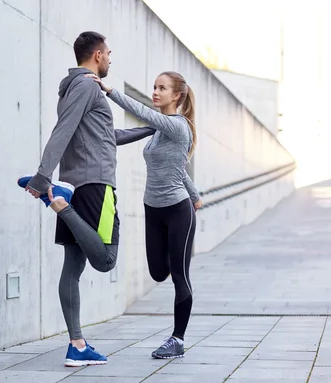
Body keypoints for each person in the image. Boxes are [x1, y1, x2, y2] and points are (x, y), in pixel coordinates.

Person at [24, 31, 153, 367]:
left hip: (75, 181)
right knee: (106, 259)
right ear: (96, 55)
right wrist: (42, 177)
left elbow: (106, 136)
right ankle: (59, 203)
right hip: (96, 186)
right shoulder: (87, 85)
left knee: (73, 266)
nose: (111, 58)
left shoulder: (74, 90)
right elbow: (62, 130)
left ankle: (77, 345)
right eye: (108, 53)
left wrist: (150, 128)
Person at [87, 71, 203, 359]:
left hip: (177, 210)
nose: (155, 92)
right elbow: (176, 167)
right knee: (157, 271)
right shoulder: (161, 130)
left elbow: (140, 112)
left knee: (179, 274)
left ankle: (177, 339)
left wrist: (110, 91)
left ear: (176, 96)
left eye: (162, 88)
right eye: (154, 87)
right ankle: (176, 332)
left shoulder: (176, 125)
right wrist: (197, 193)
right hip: (152, 208)